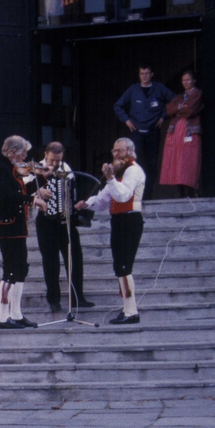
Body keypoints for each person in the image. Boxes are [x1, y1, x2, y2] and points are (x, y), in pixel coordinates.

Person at [75, 137, 146, 325]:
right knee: (119, 265)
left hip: (131, 219)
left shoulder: (133, 170)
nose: (115, 155)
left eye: (120, 151)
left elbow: (122, 195)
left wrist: (110, 178)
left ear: (130, 152)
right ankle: (127, 307)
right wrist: (87, 203)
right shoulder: (118, 172)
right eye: (114, 151)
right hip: (119, 221)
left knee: (124, 265)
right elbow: (105, 197)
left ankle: (131, 311)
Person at [0, 135, 46, 330]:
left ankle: (16, 313)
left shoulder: (13, 169)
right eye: (23, 154)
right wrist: (32, 200)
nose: (25, 158)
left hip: (17, 225)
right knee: (10, 269)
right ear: (12, 152)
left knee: (21, 268)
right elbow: (7, 195)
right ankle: (2, 317)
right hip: (5, 224)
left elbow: (23, 190)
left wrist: (43, 180)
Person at [34, 142, 94, 312]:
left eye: (58, 161)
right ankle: (54, 301)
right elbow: (25, 190)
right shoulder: (36, 169)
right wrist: (38, 193)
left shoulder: (66, 168)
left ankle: (77, 298)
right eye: (52, 160)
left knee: (75, 258)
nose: (54, 164)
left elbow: (74, 190)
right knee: (50, 262)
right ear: (46, 154)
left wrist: (75, 204)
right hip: (46, 222)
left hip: (66, 222)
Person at [114, 64, 174, 199]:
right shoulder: (133, 89)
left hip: (153, 132)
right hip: (137, 133)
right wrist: (126, 120)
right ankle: (136, 196)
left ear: (152, 74)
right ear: (139, 74)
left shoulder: (159, 88)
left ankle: (148, 196)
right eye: (142, 73)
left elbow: (174, 101)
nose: (144, 76)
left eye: (147, 73)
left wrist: (163, 116)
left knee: (151, 165)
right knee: (136, 163)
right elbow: (117, 106)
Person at [160, 70, 203, 197]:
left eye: (188, 80)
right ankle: (180, 195)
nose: (186, 82)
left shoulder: (198, 94)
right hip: (175, 131)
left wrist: (178, 109)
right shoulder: (179, 96)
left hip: (190, 131)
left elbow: (190, 110)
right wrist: (180, 108)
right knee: (176, 161)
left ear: (194, 80)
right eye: (183, 80)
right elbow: (168, 109)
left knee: (188, 162)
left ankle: (190, 193)